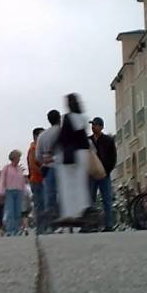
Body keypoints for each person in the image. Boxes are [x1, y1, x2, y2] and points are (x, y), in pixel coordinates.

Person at [54, 94, 91, 223]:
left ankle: (69, 212)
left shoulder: (68, 118)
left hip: (71, 154)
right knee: (81, 183)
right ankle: (82, 209)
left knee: (67, 184)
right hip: (84, 152)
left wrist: (52, 150)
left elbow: (64, 137)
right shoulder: (83, 118)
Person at [89, 117, 118, 230]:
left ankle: (109, 224)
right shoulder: (89, 140)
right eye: (92, 125)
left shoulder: (108, 140)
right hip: (91, 174)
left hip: (104, 174)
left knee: (106, 199)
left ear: (101, 127)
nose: (93, 127)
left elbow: (113, 158)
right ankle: (91, 225)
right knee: (89, 200)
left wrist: (107, 171)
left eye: (95, 125)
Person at [36, 110, 63, 233]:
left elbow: (37, 156)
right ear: (59, 119)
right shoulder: (64, 134)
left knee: (49, 197)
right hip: (63, 168)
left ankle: (51, 224)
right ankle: (63, 222)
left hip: (48, 168)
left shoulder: (42, 136)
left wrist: (45, 160)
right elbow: (67, 151)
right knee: (63, 196)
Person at [0, 150, 27, 236]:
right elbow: (2, 180)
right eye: (17, 157)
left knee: (18, 211)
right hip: (9, 191)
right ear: (13, 158)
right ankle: (10, 230)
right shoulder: (6, 168)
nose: (19, 159)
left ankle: (17, 229)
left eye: (19, 157)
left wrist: (25, 192)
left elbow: (22, 181)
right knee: (10, 211)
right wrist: (2, 192)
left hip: (19, 191)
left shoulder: (19, 169)